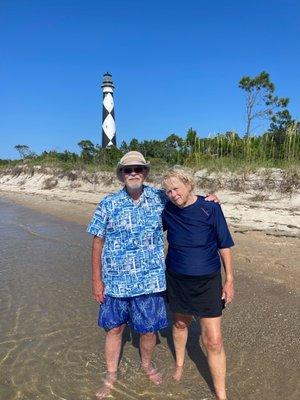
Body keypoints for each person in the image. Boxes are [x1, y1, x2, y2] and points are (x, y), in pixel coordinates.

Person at [87, 151, 168, 398]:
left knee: (148, 329)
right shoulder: (108, 203)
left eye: (138, 169)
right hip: (115, 282)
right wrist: (96, 280)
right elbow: (97, 243)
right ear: (121, 174)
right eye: (127, 169)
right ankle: (111, 374)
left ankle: (146, 365)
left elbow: (186, 201)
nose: (133, 173)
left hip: (150, 280)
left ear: (145, 172)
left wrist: (210, 200)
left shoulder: (160, 199)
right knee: (114, 329)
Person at [161, 166, 234, 400]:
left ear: (189, 184)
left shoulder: (210, 207)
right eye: (168, 191)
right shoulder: (166, 209)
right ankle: (180, 364)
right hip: (177, 279)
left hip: (208, 281)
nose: (173, 194)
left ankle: (221, 394)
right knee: (180, 324)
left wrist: (230, 280)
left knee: (213, 339)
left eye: (176, 188)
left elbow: (224, 244)